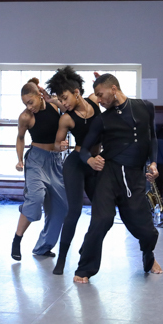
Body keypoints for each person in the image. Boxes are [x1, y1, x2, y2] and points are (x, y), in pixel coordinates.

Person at [73, 73, 161, 284]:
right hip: (108, 174)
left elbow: (152, 138)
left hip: (134, 176)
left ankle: (148, 258)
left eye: (101, 95)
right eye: (96, 96)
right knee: (102, 220)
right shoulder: (102, 119)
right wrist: (90, 160)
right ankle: (85, 268)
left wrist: (154, 162)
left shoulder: (145, 106)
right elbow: (84, 150)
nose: (99, 100)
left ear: (114, 89)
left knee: (147, 231)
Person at [44, 66, 101, 275]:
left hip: (96, 163)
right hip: (76, 163)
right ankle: (62, 259)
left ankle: (86, 246)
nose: (63, 103)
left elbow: (105, 89)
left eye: (65, 97)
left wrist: (99, 77)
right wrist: (61, 146)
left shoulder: (96, 101)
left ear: (77, 92)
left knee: (102, 212)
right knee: (74, 211)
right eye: (59, 98)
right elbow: (57, 143)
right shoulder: (66, 118)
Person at [11, 78, 68, 261]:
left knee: (60, 208)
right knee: (35, 198)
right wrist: (20, 160)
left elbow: (69, 110)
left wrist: (53, 99)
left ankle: (43, 247)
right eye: (25, 104)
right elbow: (20, 138)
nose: (29, 107)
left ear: (39, 95)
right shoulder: (26, 117)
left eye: (31, 102)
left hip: (55, 161)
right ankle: (17, 240)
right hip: (36, 160)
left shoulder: (54, 105)